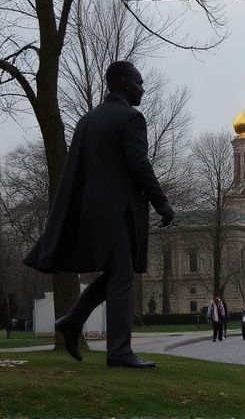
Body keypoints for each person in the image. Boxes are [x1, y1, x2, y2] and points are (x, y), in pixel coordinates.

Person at [23, 61, 174, 369]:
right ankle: (119, 351)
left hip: (91, 213)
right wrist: (162, 203)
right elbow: (139, 164)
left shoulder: (87, 120)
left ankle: (72, 320)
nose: (142, 89)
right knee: (122, 277)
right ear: (124, 84)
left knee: (116, 273)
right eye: (139, 83)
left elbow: (77, 169)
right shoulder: (131, 118)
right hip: (117, 212)